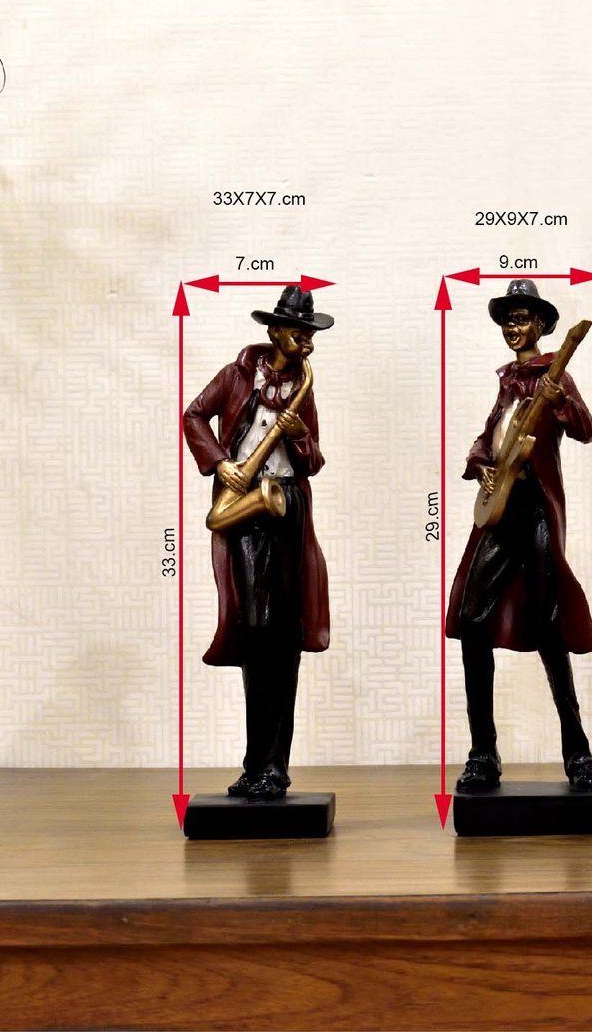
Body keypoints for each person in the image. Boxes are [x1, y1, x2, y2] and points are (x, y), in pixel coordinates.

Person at [445, 279, 592, 793]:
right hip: (500, 514)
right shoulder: (508, 381)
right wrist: (480, 464)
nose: (514, 328)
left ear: (541, 325)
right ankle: (482, 752)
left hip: (535, 509)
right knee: (471, 620)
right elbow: (489, 434)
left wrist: (559, 402)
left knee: (549, 627)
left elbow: (586, 429)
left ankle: (578, 754)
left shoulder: (554, 374)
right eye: (508, 320)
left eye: (522, 319)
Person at [182, 285, 333, 800]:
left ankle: (274, 768)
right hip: (243, 500)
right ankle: (255, 763)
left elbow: (314, 461)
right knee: (255, 629)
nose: (306, 342)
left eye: (310, 334)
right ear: (274, 331)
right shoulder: (236, 375)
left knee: (283, 634)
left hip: (286, 504)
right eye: (299, 332)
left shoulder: (304, 387)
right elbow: (193, 414)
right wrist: (221, 464)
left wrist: (297, 433)